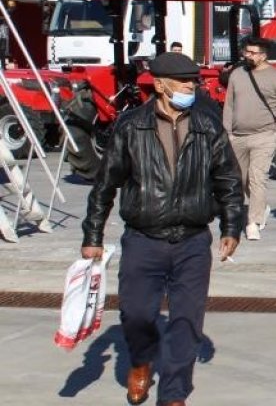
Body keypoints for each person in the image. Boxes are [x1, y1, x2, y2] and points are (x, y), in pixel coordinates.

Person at [81, 52, 243, 406]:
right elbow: (105, 186)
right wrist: (92, 236)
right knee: (136, 313)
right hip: (143, 240)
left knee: (186, 321)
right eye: (184, 81)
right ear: (159, 85)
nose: (191, 86)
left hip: (192, 240)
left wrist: (233, 226)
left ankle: (174, 394)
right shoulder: (131, 127)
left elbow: (229, 180)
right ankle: (140, 361)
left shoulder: (207, 125)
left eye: (193, 81)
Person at [222, 37, 276, 240]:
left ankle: (253, 222)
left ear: (263, 55)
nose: (247, 55)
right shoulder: (237, 74)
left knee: (256, 177)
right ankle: (261, 206)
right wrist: (228, 131)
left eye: (252, 53)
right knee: (241, 179)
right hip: (238, 137)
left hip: (264, 136)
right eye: (246, 52)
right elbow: (229, 104)